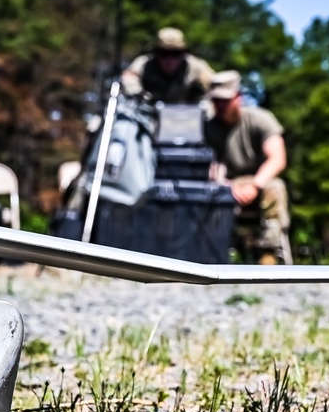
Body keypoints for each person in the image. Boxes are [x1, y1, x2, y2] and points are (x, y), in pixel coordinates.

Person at [203, 70, 291, 265]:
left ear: (238, 98)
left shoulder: (261, 119)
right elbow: (207, 164)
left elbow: (277, 158)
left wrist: (254, 186)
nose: (220, 105)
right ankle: (210, 254)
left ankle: (268, 254)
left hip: (259, 181)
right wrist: (226, 186)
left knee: (275, 188)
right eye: (216, 100)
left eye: (225, 100)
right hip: (225, 185)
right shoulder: (208, 127)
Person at [121, 28, 215, 105]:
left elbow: (214, 84)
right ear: (156, 53)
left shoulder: (195, 66)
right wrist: (137, 92)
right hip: (148, 114)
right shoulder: (144, 63)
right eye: (163, 53)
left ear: (183, 53)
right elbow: (128, 78)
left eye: (176, 53)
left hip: (185, 115)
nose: (170, 59)